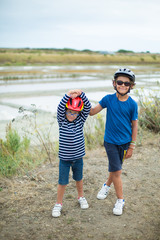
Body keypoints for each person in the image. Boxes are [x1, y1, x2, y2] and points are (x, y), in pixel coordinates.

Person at [89, 68, 138, 216]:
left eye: (126, 83)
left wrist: (132, 146)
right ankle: (120, 200)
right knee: (117, 170)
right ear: (114, 83)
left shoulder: (132, 104)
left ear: (131, 86)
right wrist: (79, 98)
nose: (123, 85)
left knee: (115, 168)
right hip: (110, 141)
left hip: (125, 143)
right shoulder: (108, 99)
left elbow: (134, 125)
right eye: (119, 82)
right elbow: (92, 112)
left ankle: (106, 185)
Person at [52, 89, 91, 218]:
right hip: (64, 160)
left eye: (75, 113)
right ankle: (58, 203)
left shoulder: (80, 122)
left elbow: (88, 108)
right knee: (62, 182)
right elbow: (59, 108)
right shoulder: (62, 121)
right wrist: (68, 95)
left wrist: (81, 94)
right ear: (66, 111)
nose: (72, 115)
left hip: (78, 158)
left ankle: (81, 197)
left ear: (78, 113)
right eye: (69, 112)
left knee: (79, 179)